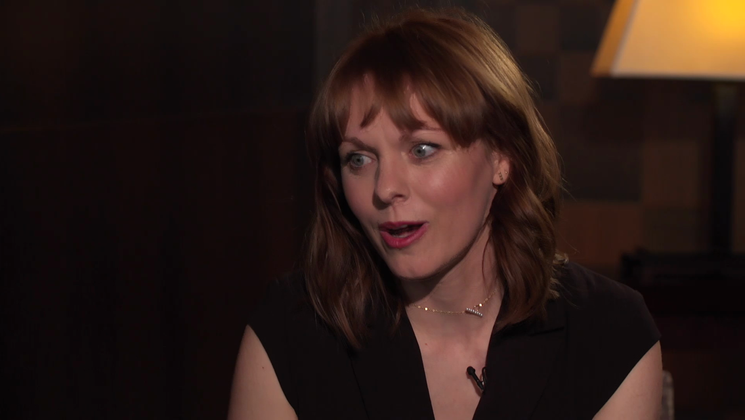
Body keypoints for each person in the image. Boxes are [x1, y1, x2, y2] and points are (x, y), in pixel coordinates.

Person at [228, 8, 662, 420]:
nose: (384, 188)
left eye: (422, 150)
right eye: (358, 159)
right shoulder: (290, 329)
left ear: (502, 157)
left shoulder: (610, 333)